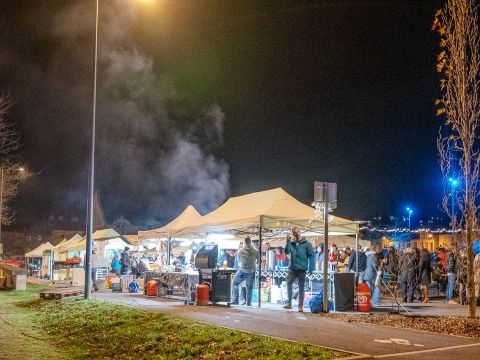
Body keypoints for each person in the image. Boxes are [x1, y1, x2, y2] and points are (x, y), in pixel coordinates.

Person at [283, 227, 315, 312]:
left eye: (297, 232)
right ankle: (289, 302)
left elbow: (312, 256)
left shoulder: (306, 244)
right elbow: (286, 252)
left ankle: (300, 306)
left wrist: (311, 268)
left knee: (301, 287)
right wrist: (288, 241)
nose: (296, 234)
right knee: (289, 283)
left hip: (302, 269)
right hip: (293, 268)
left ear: (299, 232)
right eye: (294, 233)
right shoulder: (292, 243)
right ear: (293, 234)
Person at [231, 237, 259, 306]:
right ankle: (248, 303)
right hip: (251, 271)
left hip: (242, 270)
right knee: (249, 287)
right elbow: (258, 262)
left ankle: (235, 300)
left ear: (244, 242)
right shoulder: (256, 251)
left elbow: (239, 262)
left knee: (234, 283)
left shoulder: (240, 251)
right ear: (251, 242)